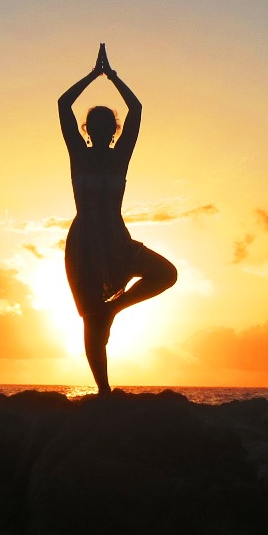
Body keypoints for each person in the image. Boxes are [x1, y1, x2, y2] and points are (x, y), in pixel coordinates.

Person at [58, 46, 177, 395]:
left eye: (105, 124)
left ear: (113, 130)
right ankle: (104, 392)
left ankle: (115, 310)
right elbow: (63, 105)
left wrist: (113, 77)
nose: (99, 128)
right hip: (85, 243)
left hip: (116, 238)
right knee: (91, 319)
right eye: (93, 123)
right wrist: (93, 76)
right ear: (86, 129)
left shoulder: (120, 156)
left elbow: (136, 109)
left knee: (166, 274)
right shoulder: (78, 154)